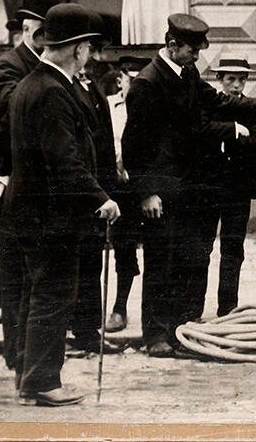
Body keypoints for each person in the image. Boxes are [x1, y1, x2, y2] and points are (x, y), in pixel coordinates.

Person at [6, 3, 119, 406]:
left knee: (35, 296)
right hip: (51, 217)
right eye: (89, 46)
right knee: (53, 298)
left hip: (31, 213)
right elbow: (64, 162)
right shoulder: (53, 92)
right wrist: (101, 198)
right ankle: (43, 383)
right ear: (77, 49)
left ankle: (28, 376)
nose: (90, 54)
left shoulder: (32, 84)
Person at [122, 13, 246, 355]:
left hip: (189, 188)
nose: (197, 56)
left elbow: (216, 101)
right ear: (172, 45)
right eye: (192, 49)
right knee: (160, 264)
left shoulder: (186, 73)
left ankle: (180, 330)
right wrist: (146, 192)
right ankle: (156, 336)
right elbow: (133, 146)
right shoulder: (147, 83)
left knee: (187, 261)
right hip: (160, 192)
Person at [0, 0, 59, 338]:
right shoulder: (9, 65)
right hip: (7, 171)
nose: (48, 37)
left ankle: (0, 309)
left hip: (24, 172)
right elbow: (13, 113)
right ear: (26, 29)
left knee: (10, 248)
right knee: (2, 246)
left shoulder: (40, 64)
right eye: (43, 30)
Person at [67, 32, 120, 360]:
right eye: (90, 50)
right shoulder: (65, 87)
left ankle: (88, 331)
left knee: (90, 263)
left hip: (97, 186)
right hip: (78, 191)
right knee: (74, 265)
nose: (94, 57)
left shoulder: (92, 82)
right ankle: (72, 331)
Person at [208, 57, 256, 317]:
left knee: (233, 248)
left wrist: (230, 140)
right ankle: (192, 309)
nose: (236, 85)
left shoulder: (251, 108)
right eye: (230, 79)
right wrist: (233, 130)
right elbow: (200, 137)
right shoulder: (209, 105)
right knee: (202, 246)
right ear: (219, 80)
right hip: (208, 187)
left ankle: (227, 307)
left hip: (239, 187)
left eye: (241, 80)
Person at [103, 55, 146, 332]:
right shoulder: (107, 106)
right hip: (108, 185)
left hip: (136, 188)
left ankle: (120, 308)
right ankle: (83, 312)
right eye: (132, 79)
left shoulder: (150, 107)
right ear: (120, 79)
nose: (137, 85)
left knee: (126, 249)